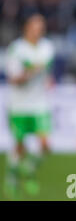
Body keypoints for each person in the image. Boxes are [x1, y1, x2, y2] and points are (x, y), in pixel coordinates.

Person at [3, 14, 55, 199]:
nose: (39, 30)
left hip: (39, 104)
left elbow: (46, 69)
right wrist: (30, 72)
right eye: (36, 27)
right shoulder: (17, 49)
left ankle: (29, 170)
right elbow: (14, 79)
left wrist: (45, 76)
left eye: (41, 27)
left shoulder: (47, 47)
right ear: (27, 28)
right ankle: (12, 179)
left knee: (45, 145)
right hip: (19, 106)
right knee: (19, 146)